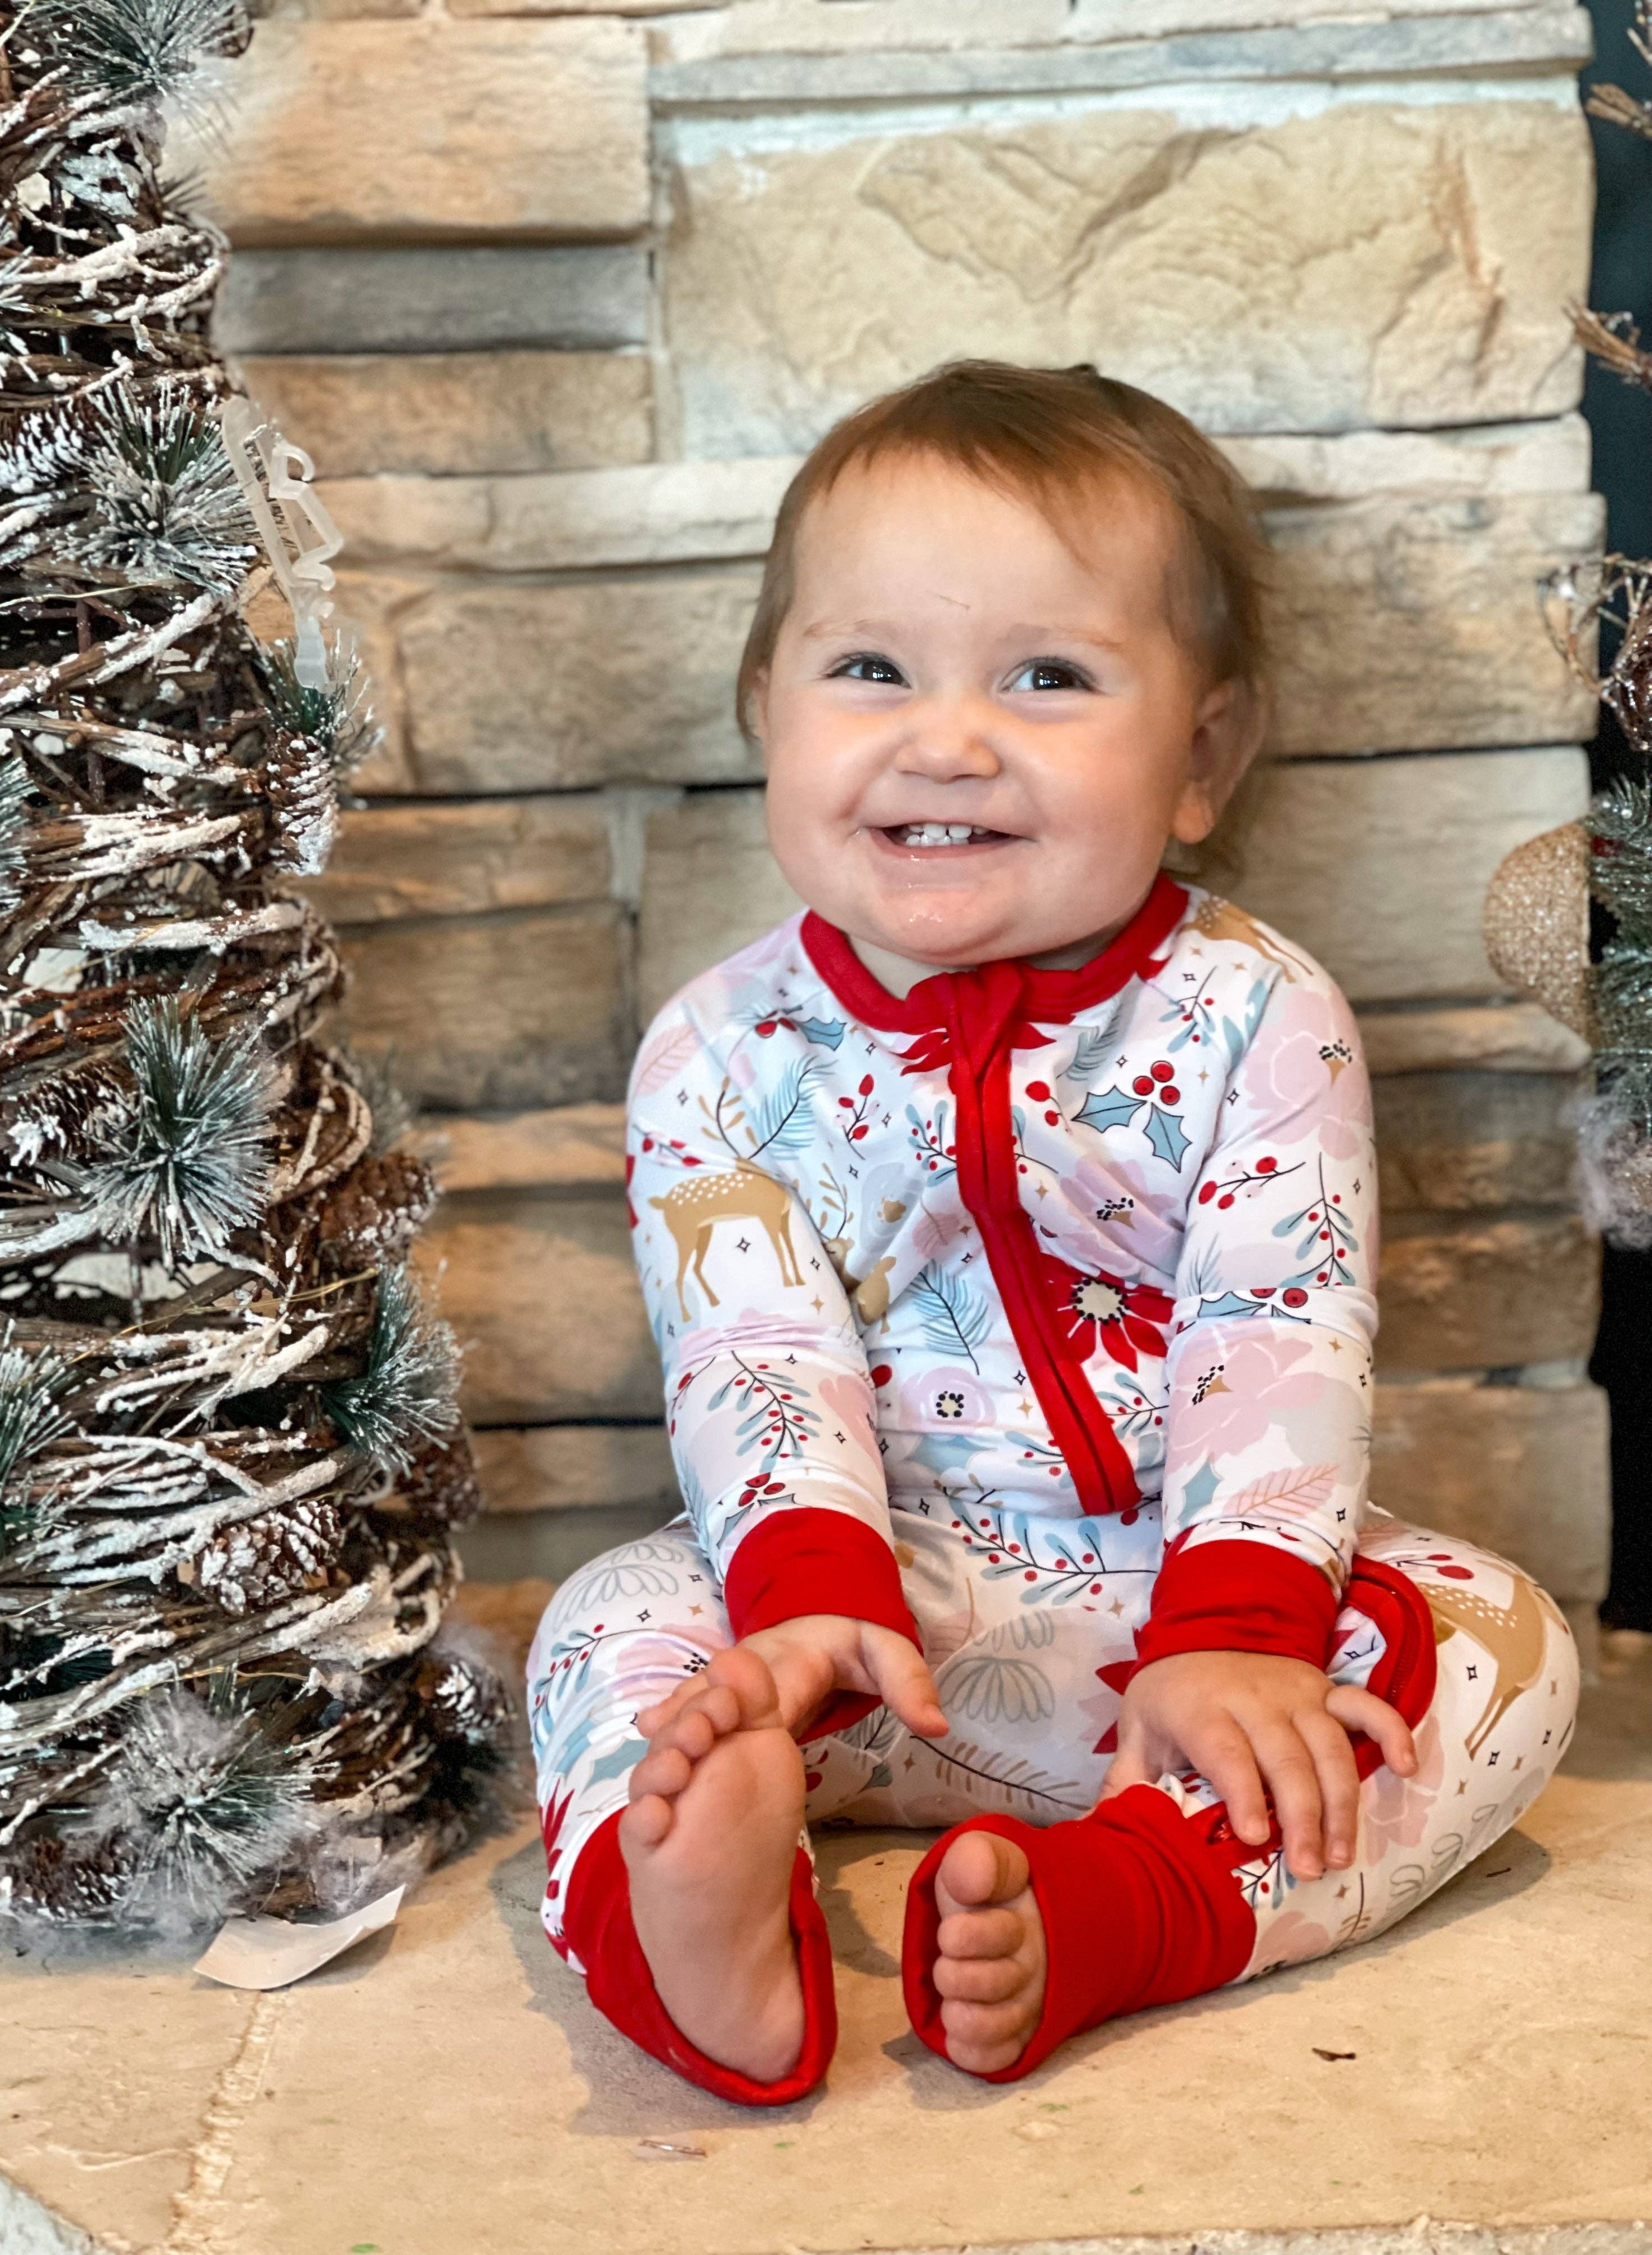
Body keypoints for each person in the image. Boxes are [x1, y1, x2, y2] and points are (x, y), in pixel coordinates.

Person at [525, 360, 1579, 2103]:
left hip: (1181, 1634)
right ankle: (687, 1926)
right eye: (872, 669)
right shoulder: (719, 1050)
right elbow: (752, 1350)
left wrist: (1241, 1627)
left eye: (1049, 677)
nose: (948, 738)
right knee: (603, 1625)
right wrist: (803, 1608)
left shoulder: (1253, 1013)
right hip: (862, 1631)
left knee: (1494, 1645)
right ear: (767, 707)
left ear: (1202, 756)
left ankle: (1117, 1908)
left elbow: (1279, 1326)